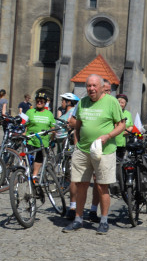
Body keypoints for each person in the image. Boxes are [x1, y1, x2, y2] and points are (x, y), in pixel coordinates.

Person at [63, 74, 125, 234]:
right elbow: (77, 125)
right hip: (83, 150)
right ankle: (78, 219)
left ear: (101, 87)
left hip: (104, 151)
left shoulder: (111, 102)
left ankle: (103, 220)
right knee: (81, 185)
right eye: (88, 86)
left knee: (102, 186)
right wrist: (76, 143)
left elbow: (121, 125)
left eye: (94, 85)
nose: (91, 89)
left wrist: (108, 136)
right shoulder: (83, 102)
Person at [23, 93, 56, 178]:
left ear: (45, 102)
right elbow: (24, 125)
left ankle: (34, 175)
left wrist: (52, 140)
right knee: (28, 157)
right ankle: (25, 172)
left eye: (41, 101)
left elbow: (53, 128)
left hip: (43, 141)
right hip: (30, 140)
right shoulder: (30, 112)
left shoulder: (49, 114)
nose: (39, 102)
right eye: (37, 101)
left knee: (39, 159)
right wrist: (24, 135)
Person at [113, 94, 131, 160]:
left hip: (123, 141)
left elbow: (131, 125)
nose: (120, 104)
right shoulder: (113, 112)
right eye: (119, 102)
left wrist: (129, 130)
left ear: (125, 104)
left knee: (121, 160)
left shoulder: (128, 113)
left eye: (122, 103)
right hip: (113, 141)